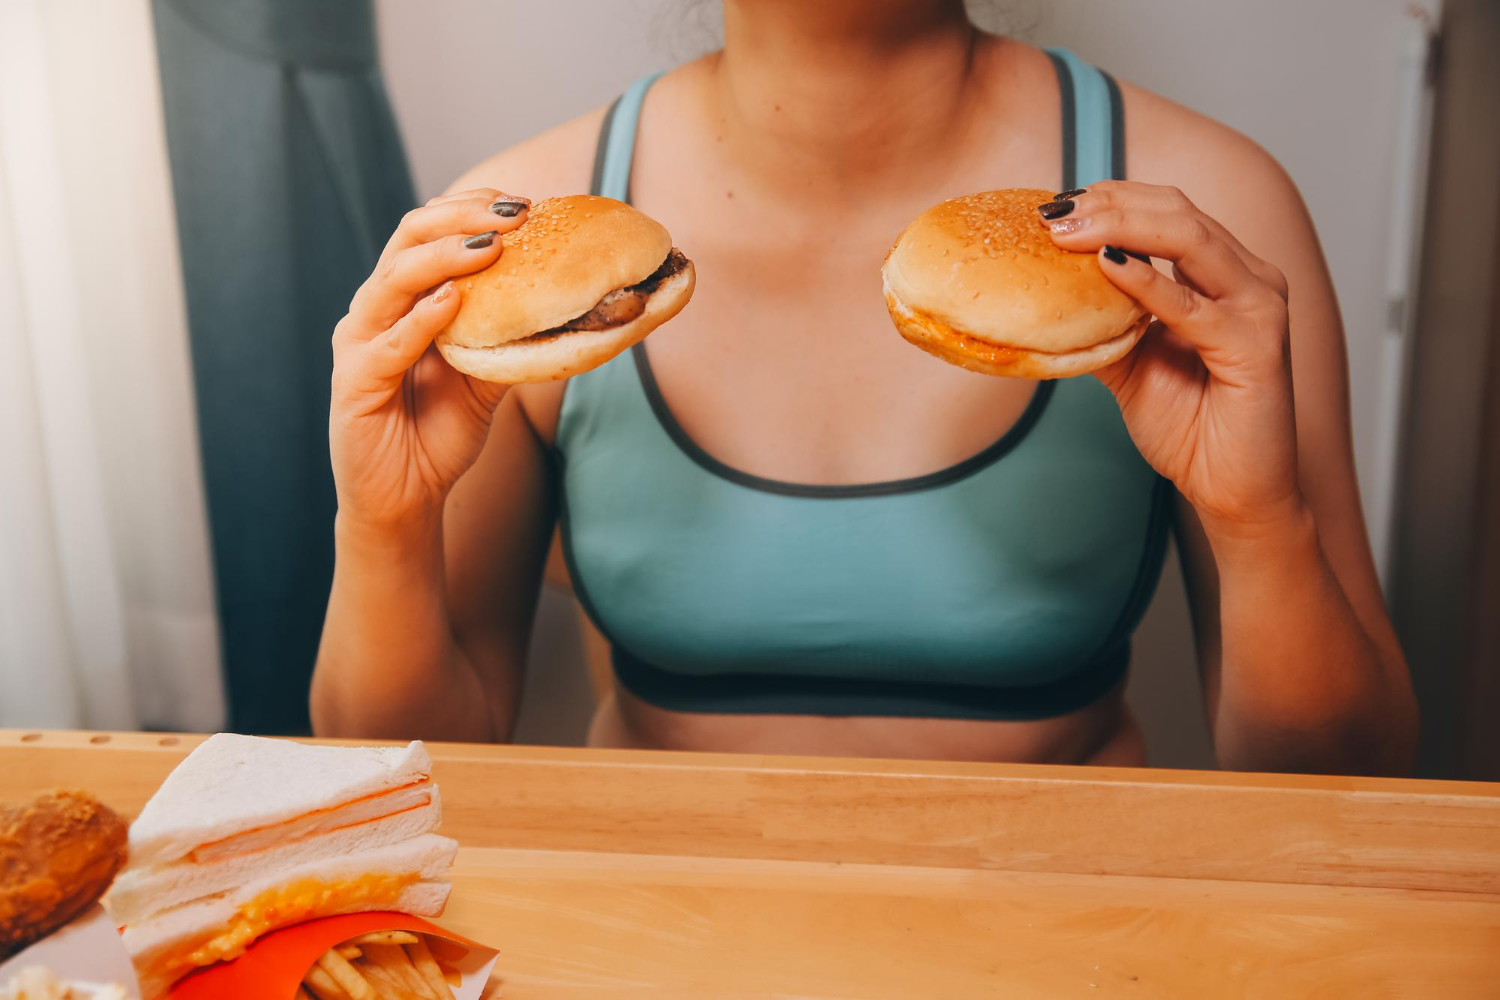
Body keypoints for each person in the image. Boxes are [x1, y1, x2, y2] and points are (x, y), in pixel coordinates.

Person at [311, 0, 1417, 774]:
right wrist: (383, 522)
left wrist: (1261, 524)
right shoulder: (515, 240)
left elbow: (1349, 779)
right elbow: (413, 771)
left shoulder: (1203, 223)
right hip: (657, 934)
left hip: (1064, 942)